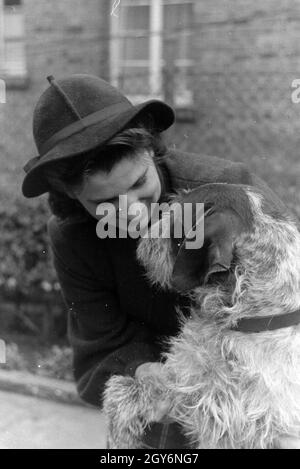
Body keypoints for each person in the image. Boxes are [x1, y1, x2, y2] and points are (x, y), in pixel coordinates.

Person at [21, 74, 298, 449]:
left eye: (138, 185)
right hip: (155, 407)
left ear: (150, 148)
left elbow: (288, 299)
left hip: (249, 396)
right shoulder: (71, 235)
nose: (132, 214)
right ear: (70, 193)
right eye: (104, 203)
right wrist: (141, 368)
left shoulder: (230, 193)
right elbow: (100, 333)